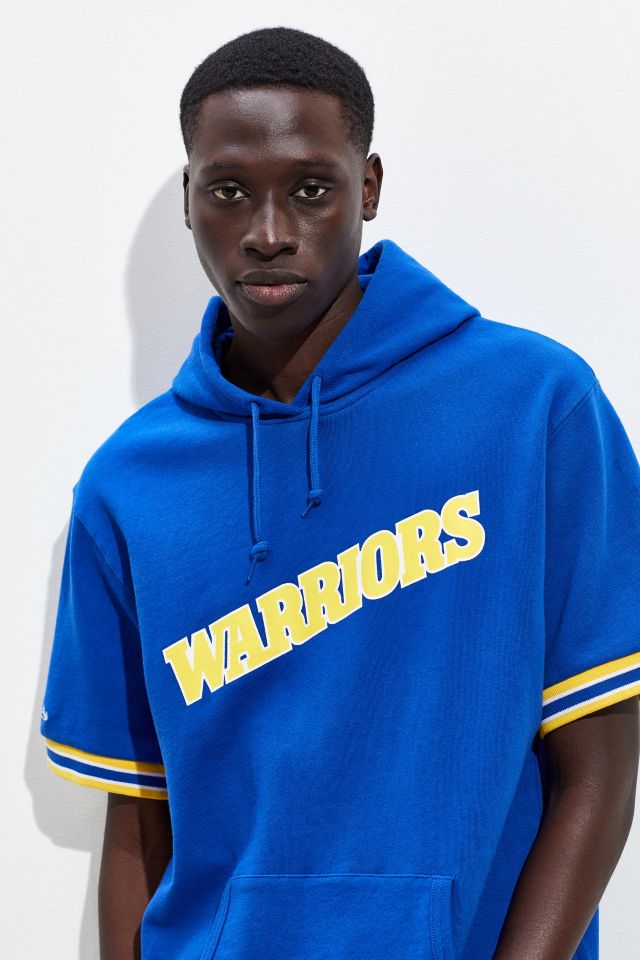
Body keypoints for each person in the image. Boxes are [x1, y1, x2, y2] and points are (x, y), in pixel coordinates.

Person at [39, 25, 640, 960]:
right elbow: (138, 819)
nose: (269, 232)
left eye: (310, 189)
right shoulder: (128, 485)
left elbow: (600, 762)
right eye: (229, 191)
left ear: (368, 187)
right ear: (190, 199)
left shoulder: (532, 408)